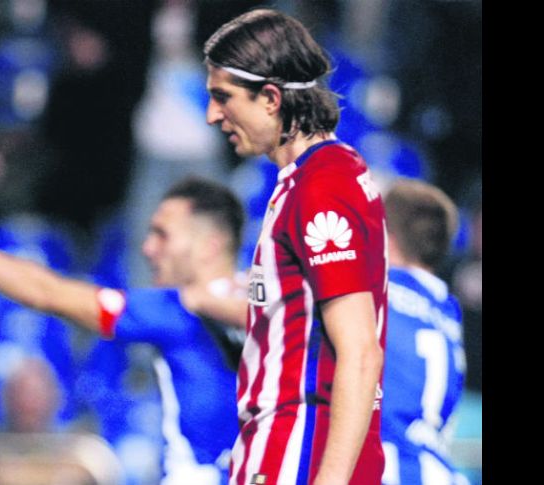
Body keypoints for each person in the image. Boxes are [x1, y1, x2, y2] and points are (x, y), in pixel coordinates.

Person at [0, 177, 247, 485]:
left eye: (163, 235)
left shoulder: (174, 311)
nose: (148, 248)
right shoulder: (271, 304)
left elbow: (45, 292)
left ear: (209, 246)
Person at [203, 9, 388, 485]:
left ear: (270, 98)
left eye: (223, 97)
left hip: (298, 454)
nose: (212, 115)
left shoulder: (324, 186)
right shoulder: (313, 178)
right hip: (284, 451)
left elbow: (360, 352)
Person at [381, 179, 469, 485]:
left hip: (382, 467)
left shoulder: (373, 292)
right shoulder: (448, 309)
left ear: (387, 237)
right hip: (438, 472)